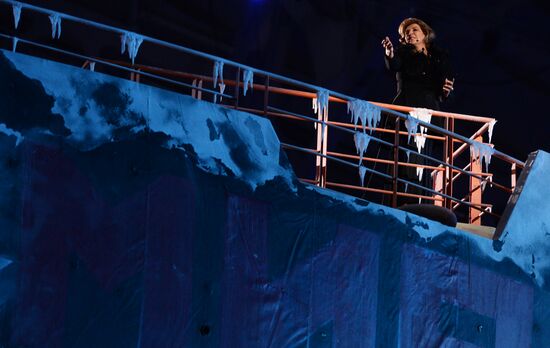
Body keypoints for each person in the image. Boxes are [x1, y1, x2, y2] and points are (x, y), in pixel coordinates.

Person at [380, 18, 454, 206]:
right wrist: (389, 54)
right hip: (408, 111)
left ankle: (422, 202)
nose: (410, 33)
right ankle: (402, 202)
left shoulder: (437, 59)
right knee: (406, 157)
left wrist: (445, 91)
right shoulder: (403, 54)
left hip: (430, 115)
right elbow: (394, 63)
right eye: (406, 33)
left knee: (425, 160)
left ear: (425, 33)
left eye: (414, 29)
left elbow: (440, 91)